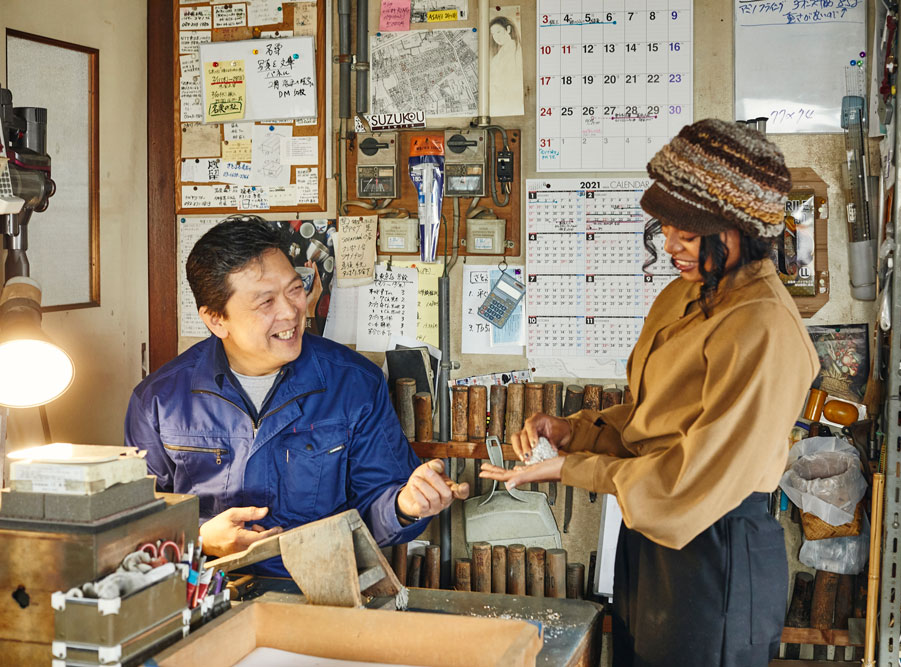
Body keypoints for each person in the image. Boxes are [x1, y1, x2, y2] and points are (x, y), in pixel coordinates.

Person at [482, 119, 820, 666]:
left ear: (741, 229)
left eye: (687, 233)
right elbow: (657, 416)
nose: (669, 246)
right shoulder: (686, 294)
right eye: (665, 228)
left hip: (715, 547)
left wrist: (571, 468)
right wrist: (576, 432)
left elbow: (692, 476)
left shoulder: (764, 327)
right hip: (653, 538)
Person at [125, 216, 467, 575]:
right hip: (205, 590)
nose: (290, 311)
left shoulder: (354, 383)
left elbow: (375, 504)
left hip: (319, 590)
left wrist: (404, 505)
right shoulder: (159, 401)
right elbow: (134, 521)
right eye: (266, 302)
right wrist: (198, 537)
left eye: (294, 288)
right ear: (216, 319)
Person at [489, 15, 524, 117]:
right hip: (499, 104)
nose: (496, 37)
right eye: (493, 34)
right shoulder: (497, 57)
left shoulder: (518, 51)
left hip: (511, 104)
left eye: (498, 32)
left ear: (508, 29)